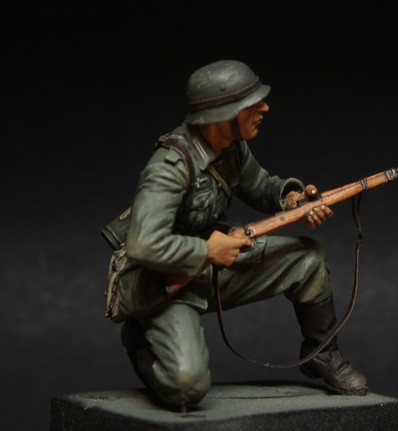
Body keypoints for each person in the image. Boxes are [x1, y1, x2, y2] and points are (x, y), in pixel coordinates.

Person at [120, 59, 368, 412]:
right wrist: (206, 251)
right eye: (251, 105)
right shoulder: (169, 168)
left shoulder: (231, 148)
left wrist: (293, 199)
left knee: (308, 260)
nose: (264, 108)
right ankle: (140, 340)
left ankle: (321, 353)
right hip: (165, 285)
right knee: (186, 389)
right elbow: (142, 244)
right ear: (221, 116)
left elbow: (261, 186)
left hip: (216, 266)